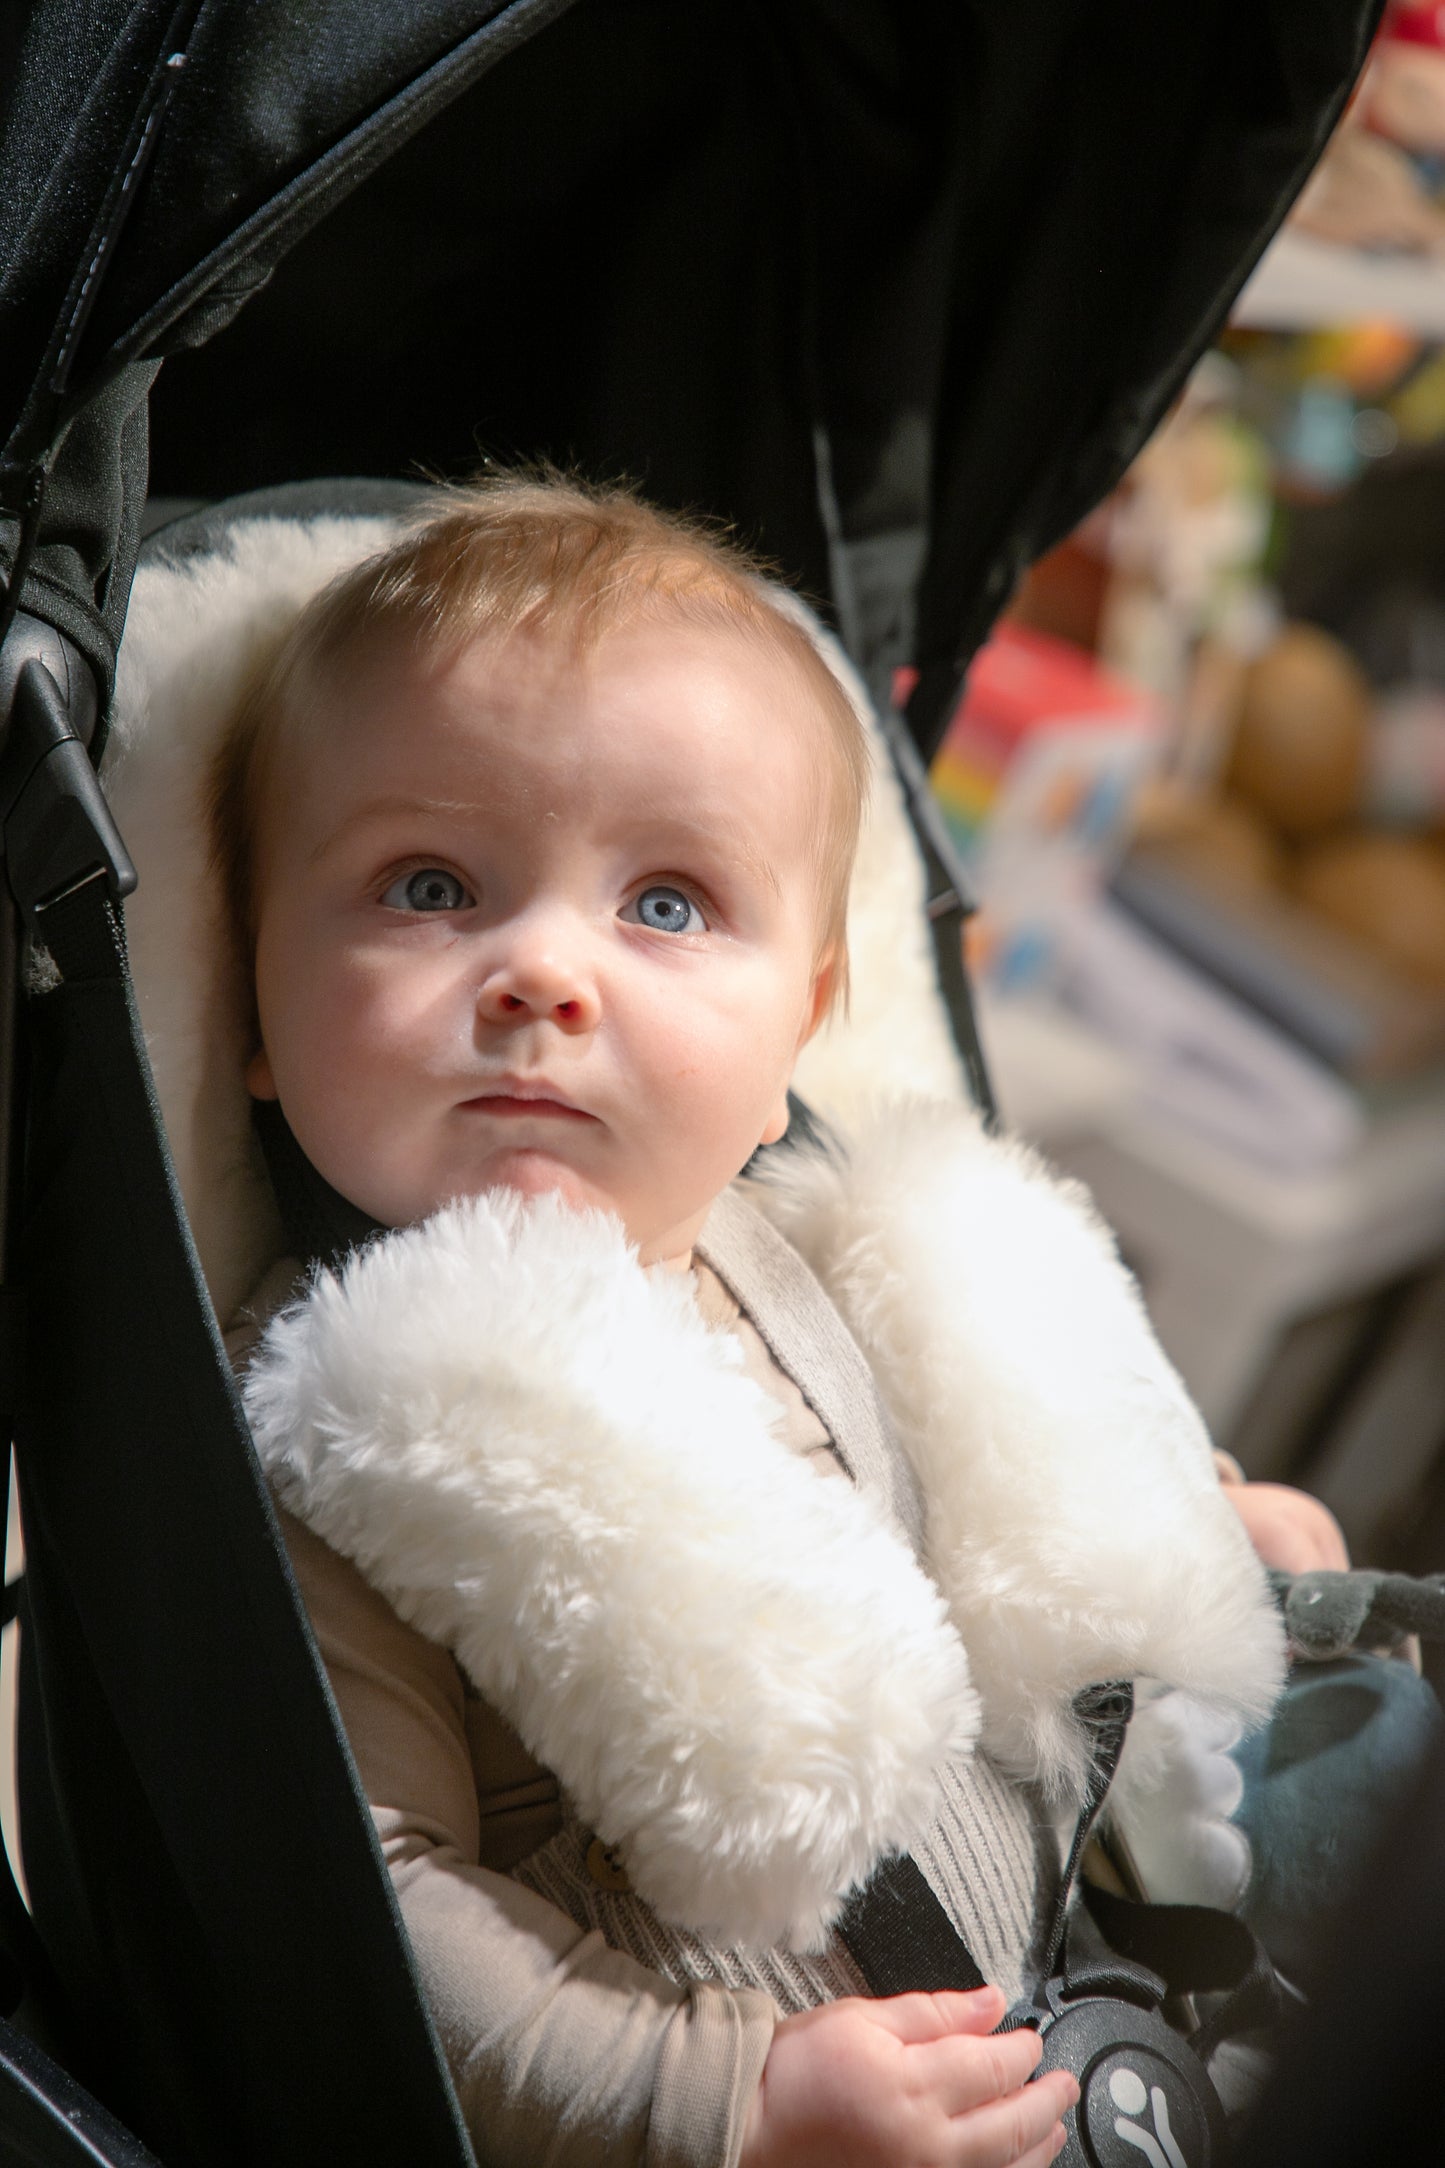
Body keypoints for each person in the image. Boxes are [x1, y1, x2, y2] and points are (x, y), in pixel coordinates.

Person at [209, 474, 1350, 2168]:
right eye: (430, 886)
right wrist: (730, 2106)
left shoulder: (813, 1256)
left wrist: (1208, 1530)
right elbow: (365, 1913)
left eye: (663, 904)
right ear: (254, 1006)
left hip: (1091, 2010)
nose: (544, 974)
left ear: (792, 1040)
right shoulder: (331, 1419)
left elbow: (1012, 1513)